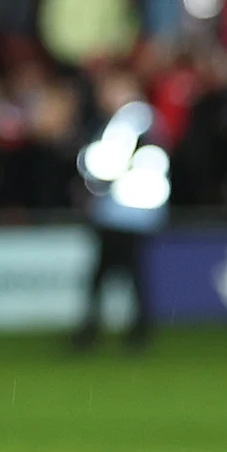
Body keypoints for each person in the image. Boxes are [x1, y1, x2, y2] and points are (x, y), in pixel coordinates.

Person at [70, 82, 169, 352]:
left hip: (124, 214)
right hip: (131, 214)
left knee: (114, 275)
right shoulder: (143, 122)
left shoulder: (129, 123)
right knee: (123, 275)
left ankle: (108, 333)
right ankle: (131, 333)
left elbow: (108, 165)